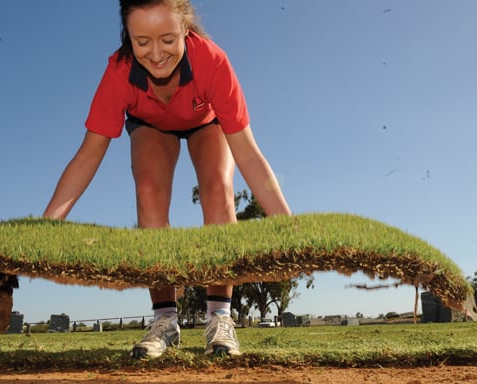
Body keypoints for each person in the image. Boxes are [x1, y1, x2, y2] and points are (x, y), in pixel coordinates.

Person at [42, 0, 291, 359]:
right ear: (127, 36)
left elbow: (248, 154)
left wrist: (286, 225)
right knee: (148, 190)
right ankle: (165, 321)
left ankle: (220, 317)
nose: (156, 54)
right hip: (152, 126)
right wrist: (50, 222)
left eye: (168, 39)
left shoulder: (212, 61)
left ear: (186, 29)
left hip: (206, 123)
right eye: (142, 42)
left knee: (218, 188)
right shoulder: (119, 72)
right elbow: (87, 156)